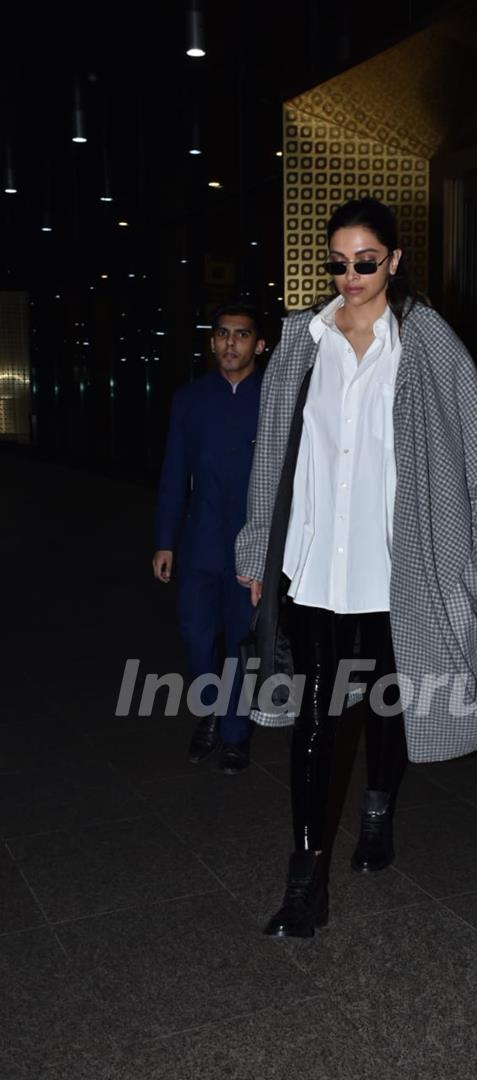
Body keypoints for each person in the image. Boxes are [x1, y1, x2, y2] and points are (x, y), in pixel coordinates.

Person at [235, 197, 477, 939]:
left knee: (389, 705)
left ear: (394, 260)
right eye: (338, 263)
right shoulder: (302, 340)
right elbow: (270, 457)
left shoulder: (426, 342)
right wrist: (256, 548)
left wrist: (463, 558)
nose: (351, 275)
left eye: (366, 261)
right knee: (314, 715)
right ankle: (304, 882)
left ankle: (376, 811)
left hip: (396, 569)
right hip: (314, 567)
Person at [153, 302, 265, 773]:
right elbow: (174, 471)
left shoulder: (274, 399)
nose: (230, 343)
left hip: (252, 545)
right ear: (212, 340)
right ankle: (211, 715)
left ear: (259, 344)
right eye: (222, 333)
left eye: (241, 334)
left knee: (242, 642)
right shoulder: (191, 399)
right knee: (197, 636)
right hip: (201, 540)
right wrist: (165, 540)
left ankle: (235, 734)